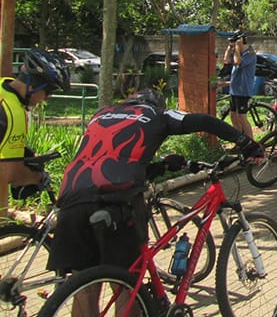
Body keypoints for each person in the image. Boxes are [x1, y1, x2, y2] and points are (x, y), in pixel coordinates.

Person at [47, 88, 263, 279]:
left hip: (71, 196)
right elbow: (205, 121)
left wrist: (160, 167)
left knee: (84, 287)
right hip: (116, 200)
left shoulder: (100, 114)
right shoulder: (156, 114)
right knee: (127, 286)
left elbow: (111, 158)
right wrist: (247, 144)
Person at [0, 49, 70, 216]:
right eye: (48, 92)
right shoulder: (13, 112)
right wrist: (38, 177)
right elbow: (10, 174)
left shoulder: (3, 86)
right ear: (31, 86)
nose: (46, 99)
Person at [224, 31, 256, 138]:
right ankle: (240, 140)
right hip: (234, 90)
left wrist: (237, 47)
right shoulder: (236, 52)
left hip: (243, 90)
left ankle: (251, 142)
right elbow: (226, 60)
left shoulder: (250, 53)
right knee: (233, 116)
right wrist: (229, 48)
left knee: (242, 117)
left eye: (235, 41)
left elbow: (238, 62)